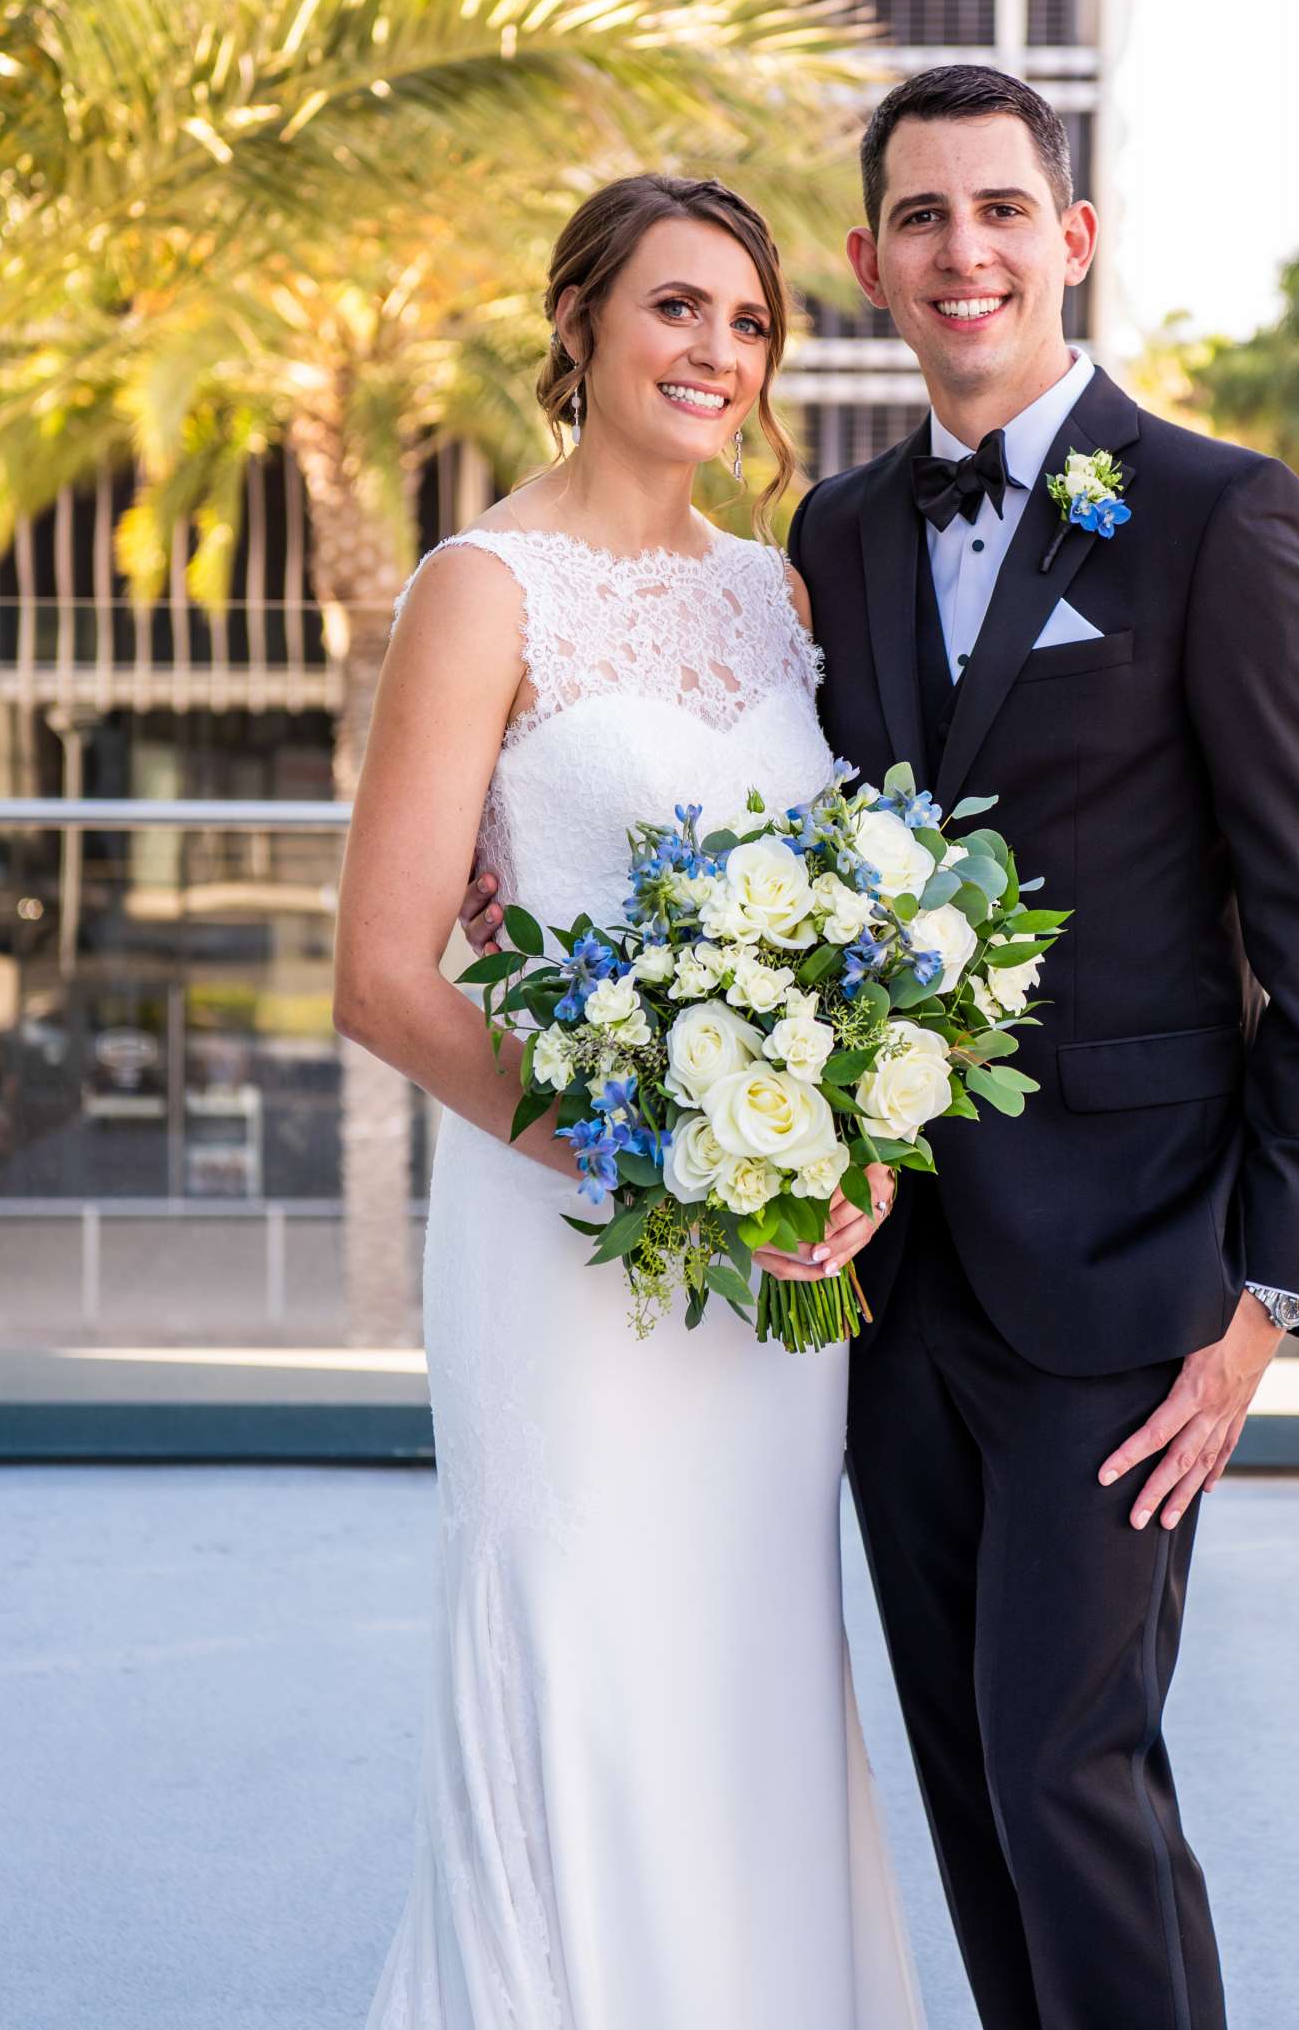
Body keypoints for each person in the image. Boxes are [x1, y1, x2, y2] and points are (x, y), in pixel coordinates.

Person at [460, 67, 1299, 2028]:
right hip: (882, 1284)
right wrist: (514, 866)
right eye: (918, 218)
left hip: (1134, 1286)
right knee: (970, 1786)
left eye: (999, 209)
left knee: (1079, 1776)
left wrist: (1264, 1312)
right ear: (880, 260)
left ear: (1068, 240)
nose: (961, 251)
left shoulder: (1223, 517)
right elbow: (759, 822)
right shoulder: (842, 535)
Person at [336, 173, 922, 2030]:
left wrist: (850, 1163)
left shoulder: (783, 591)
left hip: (776, 1276)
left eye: (747, 324)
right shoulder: (480, 588)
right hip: (565, 1226)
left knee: (749, 1657)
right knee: (581, 1653)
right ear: (578, 320)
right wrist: (661, 1160)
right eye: (677, 309)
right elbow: (383, 973)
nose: (715, 354)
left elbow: (851, 938)